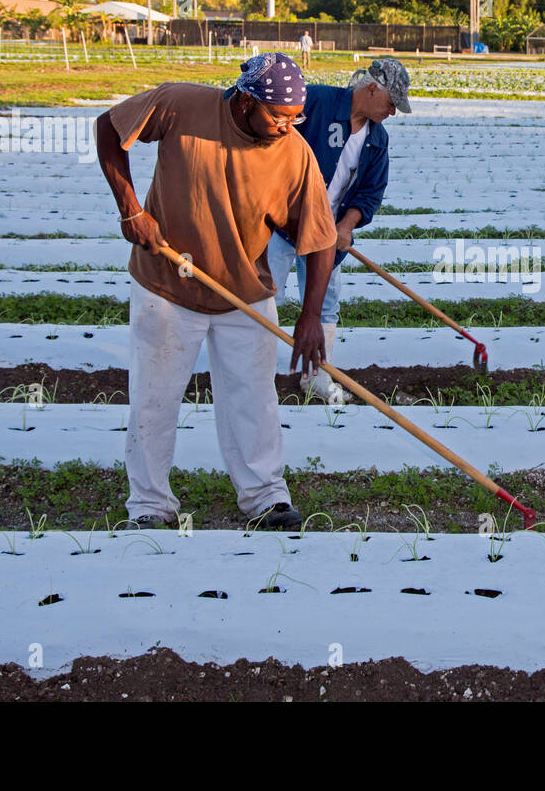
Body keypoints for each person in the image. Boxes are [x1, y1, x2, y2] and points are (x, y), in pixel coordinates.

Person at [94, 52, 337, 530]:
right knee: (155, 397)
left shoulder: (294, 154)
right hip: (166, 284)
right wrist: (130, 209)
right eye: (279, 116)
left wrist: (310, 318)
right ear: (247, 100)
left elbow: (321, 240)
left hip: (244, 292)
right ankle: (149, 505)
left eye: (296, 118)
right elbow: (109, 127)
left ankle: (266, 496)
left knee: (254, 398)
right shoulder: (180, 105)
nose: (289, 126)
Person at [265, 57, 411, 399]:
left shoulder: (378, 140)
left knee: (325, 306)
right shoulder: (316, 102)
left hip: (326, 233)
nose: (391, 112)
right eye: (391, 103)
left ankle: (314, 377)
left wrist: (347, 224)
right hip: (282, 224)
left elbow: (371, 191)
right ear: (372, 89)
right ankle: (255, 374)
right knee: (265, 295)